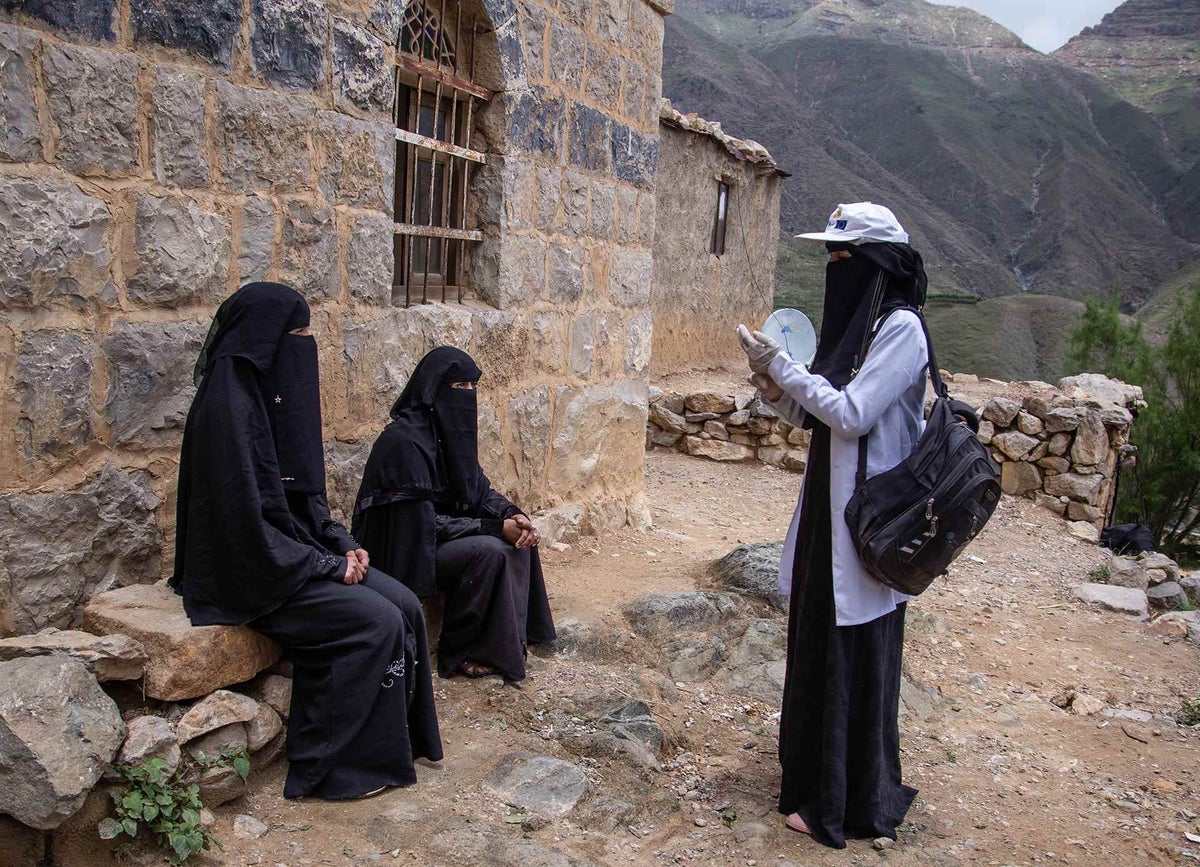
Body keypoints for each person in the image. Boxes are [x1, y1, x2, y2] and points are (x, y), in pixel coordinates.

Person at [171, 282, 443, 800]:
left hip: (290, 553)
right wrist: (323, 567)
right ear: (264, 339)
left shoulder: (267, 401)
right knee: (374, 621)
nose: (305, 347)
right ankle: (329, 766)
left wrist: (339, 543)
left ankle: (397, 746)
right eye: (297, 335)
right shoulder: (227, 411)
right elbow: (243, 531)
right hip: (250, 574)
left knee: (404, 603)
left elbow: (301, 500)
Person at [737, 202, 927, 848]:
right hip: (829, 515)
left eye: (843, 259)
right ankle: (809, 781)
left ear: (873, 264)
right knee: (817, 638)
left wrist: (788, 370)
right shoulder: (860, 330)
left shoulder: (902, 330)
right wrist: (774, 383)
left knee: (854, 653)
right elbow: (817, 416)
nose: (832, 269)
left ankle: (846, 801)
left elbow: (851, 412)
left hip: (869, 530)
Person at [351, 347, 556, 683]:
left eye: (472, 387)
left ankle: (515, 639)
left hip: (439, 538)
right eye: (459, 387)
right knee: (489, 550)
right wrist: (492, 528)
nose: (468, 395)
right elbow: (420, 525)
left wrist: (512, 515)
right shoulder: (404, 443)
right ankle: (462, 651)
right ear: (434, 389)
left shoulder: (449, 435)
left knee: (519, 540)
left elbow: (479, 491)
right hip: (404, 548)